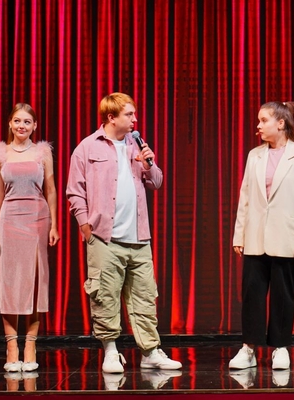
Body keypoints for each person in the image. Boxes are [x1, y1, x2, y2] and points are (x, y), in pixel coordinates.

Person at [66, 92, 181, 373]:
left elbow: (156, 182)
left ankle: (150, 352)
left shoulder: (136, 145)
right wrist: (85, 226)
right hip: (104, 237)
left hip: (139, 237)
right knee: (105, 295)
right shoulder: (87, 148)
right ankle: (110, 352)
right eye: (129, 114)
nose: (135, 119)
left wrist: (148, 163)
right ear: (111, 117)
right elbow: (75, 191)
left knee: (145, 296)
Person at [230, 101, 294, 371]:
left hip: (286, 236)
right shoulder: (255, 155)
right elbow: (245, 196)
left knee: (283, 294)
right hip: (255, 236)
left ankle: (280, 347)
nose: (258, 126)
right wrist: (239, 235)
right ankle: (248, 348)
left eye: (263, 120)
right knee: (252, 294)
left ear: (281, 123)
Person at [0, 103, 60, 372]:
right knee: (10, 282)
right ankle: (11, 347)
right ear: (10, 123)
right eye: (17, 121)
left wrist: (54, 224)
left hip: (37, 219)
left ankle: (30, 345)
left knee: (34, 282)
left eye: (27, 122)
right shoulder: (0, 153)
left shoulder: (43, 152)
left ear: (34, 126)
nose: (22, 126)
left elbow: (51, 189)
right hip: (9, 220)